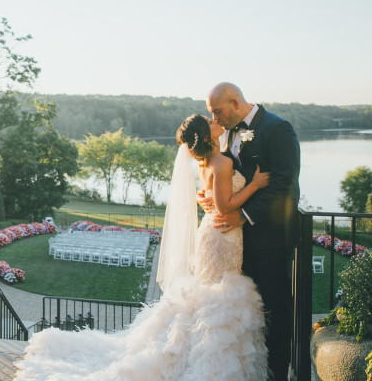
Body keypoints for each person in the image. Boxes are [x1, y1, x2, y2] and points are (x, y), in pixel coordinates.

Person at [15, 114, 270, 381]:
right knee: (216, 296)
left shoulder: (210, 159)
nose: (214, 119)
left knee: (208, 295)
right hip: (222, 234)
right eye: (209, 119)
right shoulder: (222, 160)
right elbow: (225, 206)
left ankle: (194, 349)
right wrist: (254, 185)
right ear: (206, 135)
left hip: (214, 232)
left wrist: (202, 195)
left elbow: (212, 191)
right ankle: (203, 355)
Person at [204, 82, 300, 381]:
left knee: (274, 313)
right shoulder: (231, 132)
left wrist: (242, 215)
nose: (215, 120)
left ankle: (277, 375)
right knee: (246, 314)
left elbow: (284, 187)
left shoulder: (278, 129)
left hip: (270, 241)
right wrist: (209, 195)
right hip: (240, 245)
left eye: (217, 112)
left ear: (235, 102)